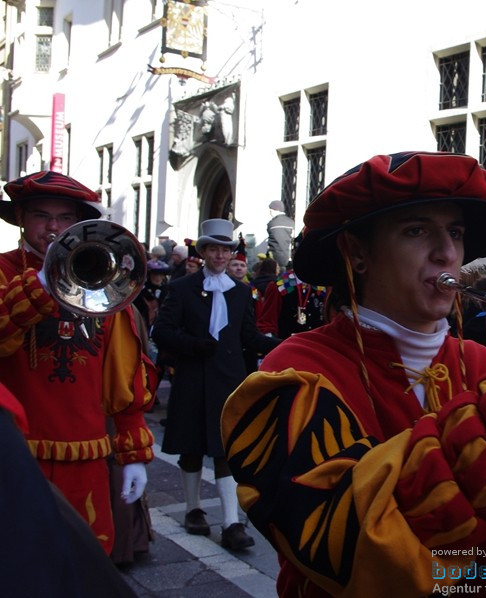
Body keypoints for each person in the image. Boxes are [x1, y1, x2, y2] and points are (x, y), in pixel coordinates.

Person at [220, 151, 486, 597]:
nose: (447, 253)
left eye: (455, 232)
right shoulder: (293, 374)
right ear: (357, 253)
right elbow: (354, 549)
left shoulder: (480, 361)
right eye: (417, 230)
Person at [0, 170, 156, 555]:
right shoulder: (3, 271)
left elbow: (123, 373)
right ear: (21, 218)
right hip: (15, 455)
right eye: (41, 215)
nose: (52, 227)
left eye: (65, 218)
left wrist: (133, 453)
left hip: (86, 455)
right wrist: (41, 282)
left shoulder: (105, 278)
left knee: (83, 564)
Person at [152, 218, 282, 551]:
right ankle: (193, 509)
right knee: (192, 445)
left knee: (227, 449)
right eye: (214, 249)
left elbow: (248, 336)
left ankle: (231, 523)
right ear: (204, 251)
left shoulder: (241, 292)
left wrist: (283, 345)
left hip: (229, 379)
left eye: (226, 249)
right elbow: (161, 331)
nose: (221, 256)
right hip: (193, 376)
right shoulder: (182, 288)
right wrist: (192, 344)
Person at [0, 382, 139, 597]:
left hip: (82, 453)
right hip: (28, 451)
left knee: (85, 562)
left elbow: (122, 373)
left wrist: (133, 446)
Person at [266, 200, 295, 268]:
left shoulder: (272, 224)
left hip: (274, 259)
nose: (270, 213)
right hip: (288, 257)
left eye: (270, 211)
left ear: (274, 210)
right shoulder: (291, 222)